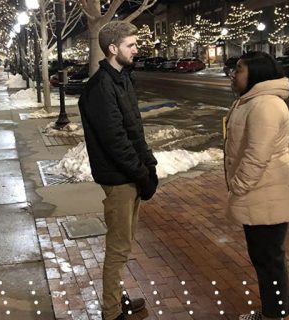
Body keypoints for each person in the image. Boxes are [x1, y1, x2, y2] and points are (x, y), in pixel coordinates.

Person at [78, 21, 157, 320]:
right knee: (118, 249)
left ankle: (116, 297)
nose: (136, 49)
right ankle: (111, 312)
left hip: (131, 176)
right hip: (119, 179)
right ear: (113, 49)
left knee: (123, 245)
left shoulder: (122, 80)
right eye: (131, 45)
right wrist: (141, 174)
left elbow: (135, 130)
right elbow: (116, 142)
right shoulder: (100, 88)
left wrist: (149, 166)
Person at [224, 51, 289, 320]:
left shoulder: (265, 105)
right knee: (265, 258)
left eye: (239, 69)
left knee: (269, 260)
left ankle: (275, 314)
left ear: (256, 73)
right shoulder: (251, 101)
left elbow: (257, 154)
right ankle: (274, 311)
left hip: (267, 191)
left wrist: (238, 186)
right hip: (261, 192)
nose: (233, 75)